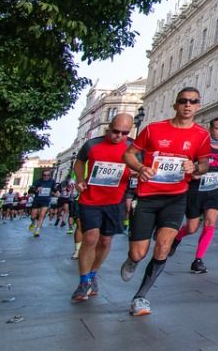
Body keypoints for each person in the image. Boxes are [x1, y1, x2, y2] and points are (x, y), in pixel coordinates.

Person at [119, 87, 213, 316]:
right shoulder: (153, 130)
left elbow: (205, 164)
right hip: (147, 197)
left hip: (176, 197)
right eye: (183, 101)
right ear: (176, 105)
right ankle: (132, 260)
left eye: (193, 101)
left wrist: (195, 167)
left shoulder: (201, 135)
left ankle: (140, 297)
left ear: (198, 106)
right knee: (139, 252)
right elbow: (128, 154)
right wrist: (141, 167)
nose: (188, 105)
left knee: (163, 246)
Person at [70, 114, 135, 302]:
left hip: (116, 202)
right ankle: (83, 282)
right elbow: (79, 162)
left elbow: (142, 166)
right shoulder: (92, 144)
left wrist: (137, 176)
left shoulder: (133, 147)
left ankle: (92, 274)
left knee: (105, 241)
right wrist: (80, 180)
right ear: (109, 128)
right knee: (90, 238)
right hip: (90, 200)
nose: (119, 136)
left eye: (124, 133)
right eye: (116, 131)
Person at [172, 116, 218, 273]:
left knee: (210, 223)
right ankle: (177, 238)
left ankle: (198, 260)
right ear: (210, 129)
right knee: (191, 228)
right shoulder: (200, 145)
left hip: (214, 189)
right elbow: (187, 166)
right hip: (196, 190)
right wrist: (194, 173)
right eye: (217, 128)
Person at [28, 167, 58, 237]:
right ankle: (33, 223)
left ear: (50, 175)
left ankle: (37, 230)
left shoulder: (52, 181)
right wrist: (36, 189)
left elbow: (54, 189)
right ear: (42, 175)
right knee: (33, 216)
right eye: (44, 175)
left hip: (46, 200)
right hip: (37, 200)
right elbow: (30, 191)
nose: (46, 177)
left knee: (42, 215)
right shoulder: (37, 181)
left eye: (48, 175)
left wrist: (57, 192)